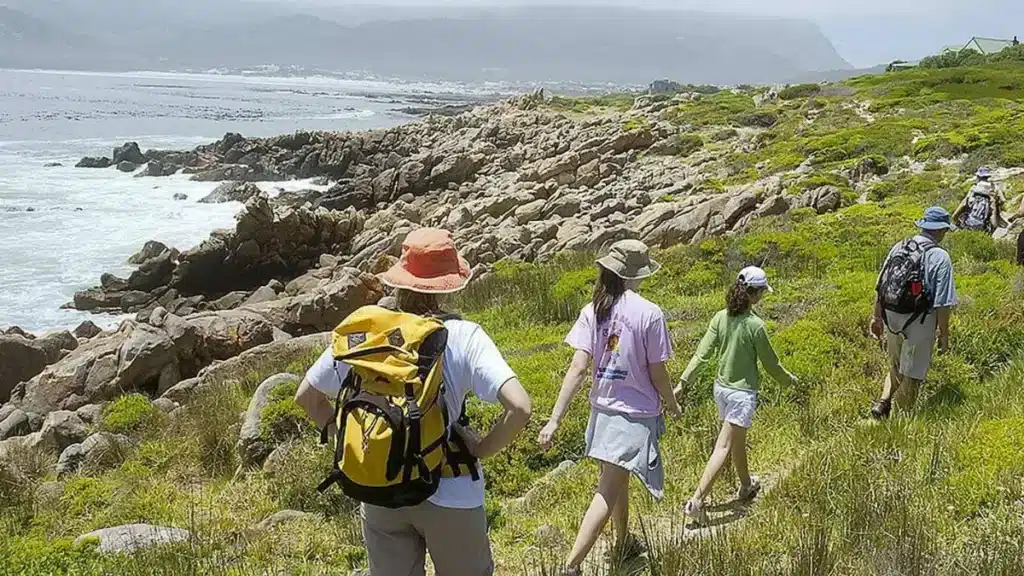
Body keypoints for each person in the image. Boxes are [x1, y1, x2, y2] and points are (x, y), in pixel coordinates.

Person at [295, 228, 532, 576]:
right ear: (450, 284)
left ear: (400, 281)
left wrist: (350, 441)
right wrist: (480, 449)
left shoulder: (367, 333)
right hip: (451, 489)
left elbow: (307, 397)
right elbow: (520, 408)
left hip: (381, 486)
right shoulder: (465, 336)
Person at [537, 239, 681, 575]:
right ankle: (571, 566)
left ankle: (622, 543)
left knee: (615, 481)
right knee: (607, 489)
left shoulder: (593, 310)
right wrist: (672, 405)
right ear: (637, 274)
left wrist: (555, 420)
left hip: (601, 410)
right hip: (633, 415)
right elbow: (658, 372)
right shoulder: (650, 313)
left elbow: (577, 368)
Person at [677, 266, 796, 526]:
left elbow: (701, 355)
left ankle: (745, 486)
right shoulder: (756, 326)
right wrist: (790, 382)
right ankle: (696, 501)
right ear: (755, 295)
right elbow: (771, 364)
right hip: (742, 395)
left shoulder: (720, 317)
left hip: (721, 390)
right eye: (762, 292)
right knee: (724, 447)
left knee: (736, 443)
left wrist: (683, 382)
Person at [869, 207, 958, 420]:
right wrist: (943, 334)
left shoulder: (899, 247)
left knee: (896, 365)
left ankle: (882, 404)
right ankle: (899, 422)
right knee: (913, 375)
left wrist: (877, 317)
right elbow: (942, 302)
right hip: (920, 321)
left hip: (892, 316)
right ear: (941, 230)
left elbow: (880, 286)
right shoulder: (940, 257)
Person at [953, 167, 1004, 233]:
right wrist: (996, 205)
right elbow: (1003, 200)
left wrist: (955, 217)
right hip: (985, 220)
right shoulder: (994, 187)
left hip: (969, 220)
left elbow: (965, 203)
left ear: (978, 177)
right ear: (987, 176)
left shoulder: (974, 188)